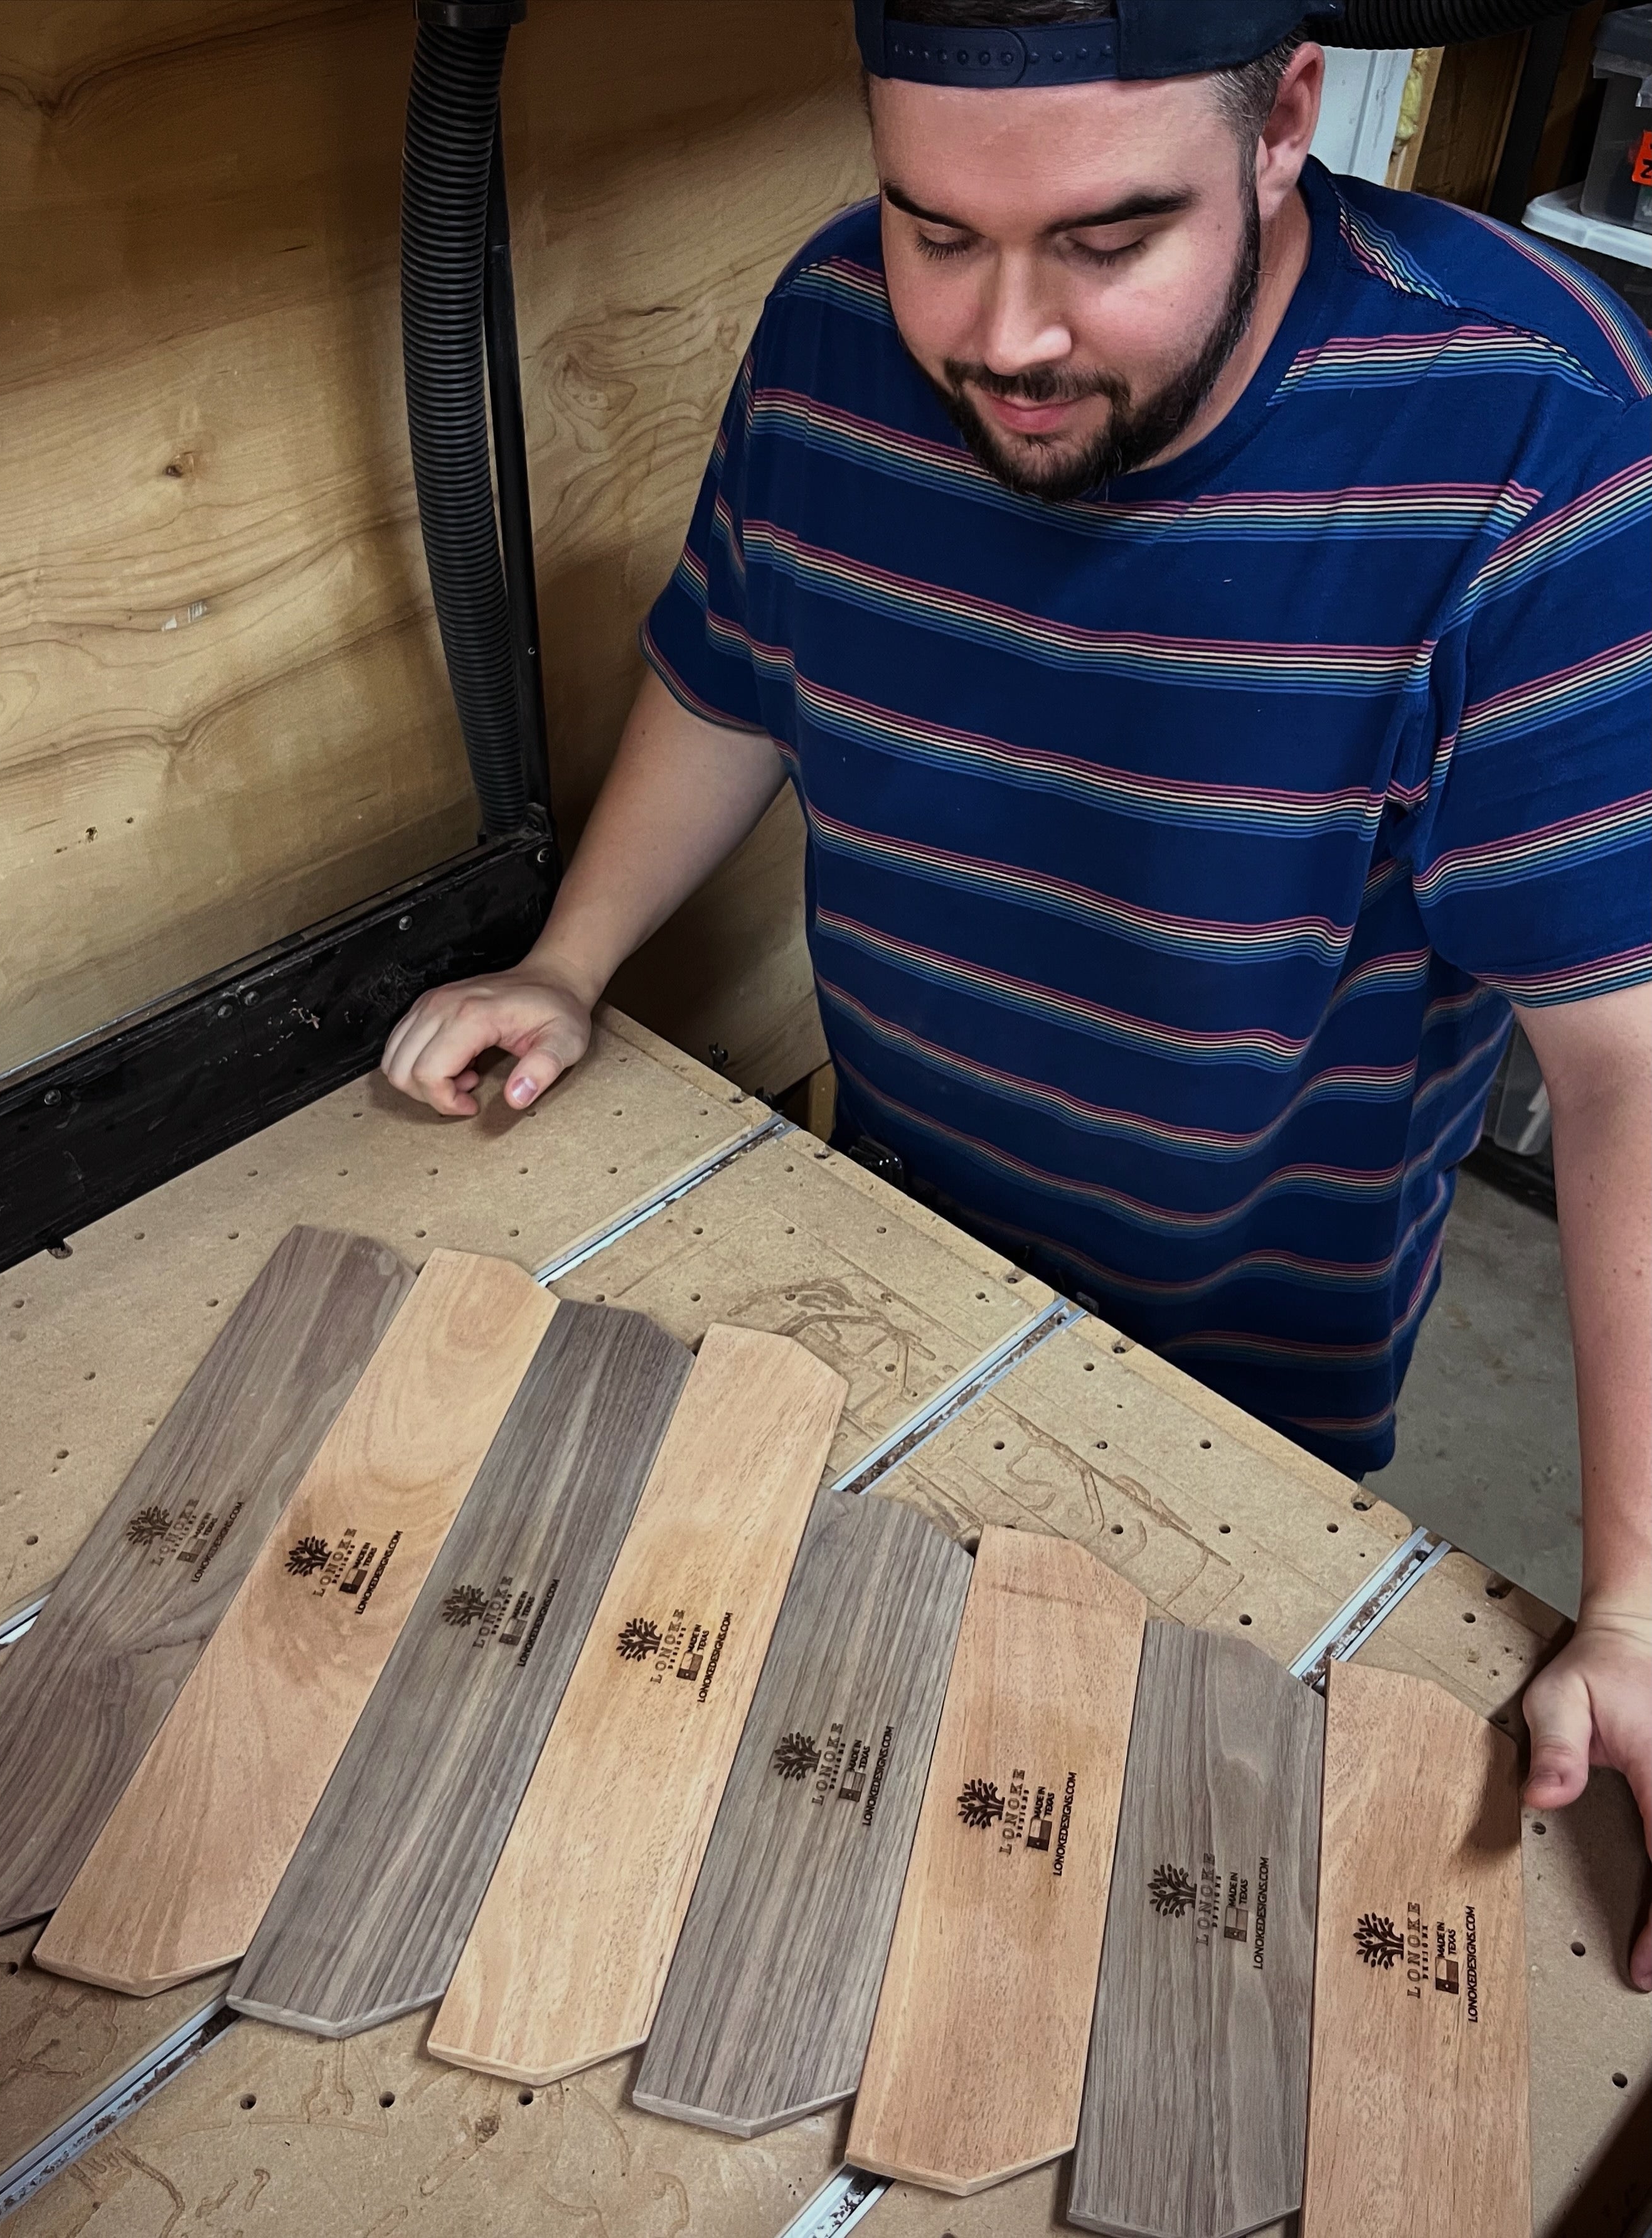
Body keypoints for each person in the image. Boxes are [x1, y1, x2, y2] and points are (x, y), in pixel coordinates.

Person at [383, 0, 1651, 1984]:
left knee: (1101, 1903)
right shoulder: (831, 324)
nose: (1003, 339)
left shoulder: (1533, 429)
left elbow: (1626, 1065)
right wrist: (572, 959)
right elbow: (735, 667)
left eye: (1105, 240)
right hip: (884, 1222)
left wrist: (1640, 1605)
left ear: (1286, 120)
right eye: (937, 229)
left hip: (1242, 1356)